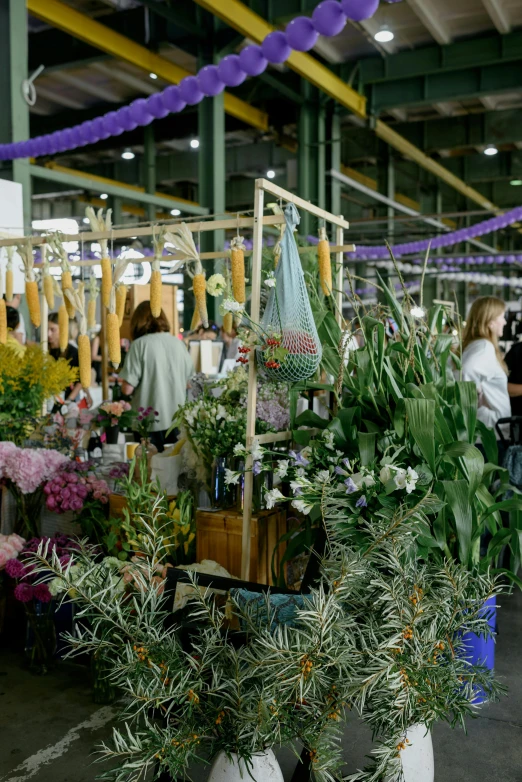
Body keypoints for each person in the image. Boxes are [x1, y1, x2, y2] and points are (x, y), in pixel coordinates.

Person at [120, 301, 194, 452]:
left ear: (138, 321)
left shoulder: (139, 345)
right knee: (173, 470)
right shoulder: (178, 344)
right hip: (177, 421)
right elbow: (189, 383)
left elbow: (127, 389)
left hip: (148, 422)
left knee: (148, 471)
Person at [461, 296, 510, 445]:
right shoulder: (484, 347)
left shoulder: (473, 345)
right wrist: (480, 407)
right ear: (490, 322)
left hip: (485, 433)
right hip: (491, 434)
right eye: (502, 317)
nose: (505, 322)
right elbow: (466, 372)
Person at [48, 312, 92, 406]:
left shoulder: (73, 352)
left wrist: (67, 401)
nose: (48, 334)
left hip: (68, 401)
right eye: (46, 329)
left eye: (53, 329)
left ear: (62, 330)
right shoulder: (44, 350)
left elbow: (80, 381)